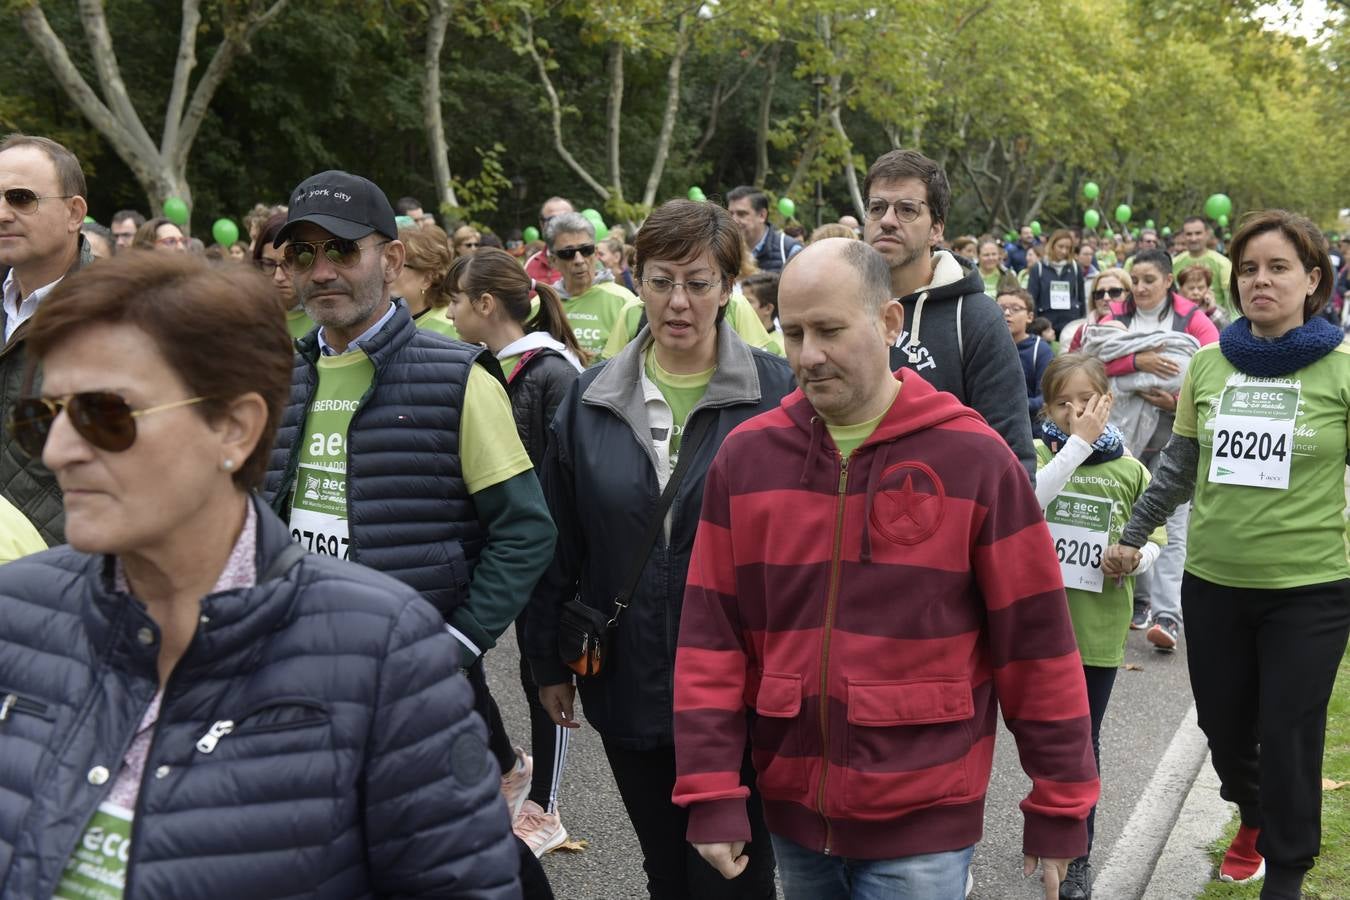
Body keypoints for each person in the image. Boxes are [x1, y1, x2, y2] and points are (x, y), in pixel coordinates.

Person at [0, 250, 521, 898]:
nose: (58, 452)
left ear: (234, 428)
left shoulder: (384, 652)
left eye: (105, 414)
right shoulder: (14, 613)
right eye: (41, 417)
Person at [672, 237, 1098, 900]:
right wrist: (709, 787)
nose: (808, 355)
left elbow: (1037, 645)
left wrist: (1061, 804)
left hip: (926, 825)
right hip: (792, 820)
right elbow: (711, 639)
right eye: (793, 333)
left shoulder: (976, 461)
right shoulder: (747, 459)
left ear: (890, 323)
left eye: (830, 330)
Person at [261, 170, 557, 897]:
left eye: (341, 251)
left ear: (391, 261)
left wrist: (453, 646)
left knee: (457, 858)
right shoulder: (280, 378)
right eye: (303, 255)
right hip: (303, 680)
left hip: (414, 688)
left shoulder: (458, 377)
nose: (321, 270)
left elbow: (525, 531)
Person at [527, 199, 795, 900]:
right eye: (660, 280)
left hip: (748, 691)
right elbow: (558, 539)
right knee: (665, 871)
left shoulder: (778, 396)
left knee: (736, 875)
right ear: (635, 279)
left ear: (730, 287)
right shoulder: (588, 401)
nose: (678, 302)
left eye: (699, 282)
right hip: (628, 676)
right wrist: (545, 662)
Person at [1105, 210, 1350, 900]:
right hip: (1215, 585)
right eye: (1248, 268)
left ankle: (1289, 872)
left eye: (1278, 268)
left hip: (1311, 590)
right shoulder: (1208, 366)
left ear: (1312, 280)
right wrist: (1131, 535)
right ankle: (1253, 811)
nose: (1260, 280)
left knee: (1290, 730)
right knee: (1223, 726)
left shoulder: (1341, 371)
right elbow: (1179, 469)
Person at [444, 246, 584, 857]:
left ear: (483, 303)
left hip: (552, 554)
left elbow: (570, 477)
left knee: (547, 677)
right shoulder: (484, 369)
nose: (447, 313)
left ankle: (545, 807)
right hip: (511, 550)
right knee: (518, 670)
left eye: (454, 300)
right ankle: (523, 780)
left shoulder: (553, 373)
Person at [1031, 354, 1165, 899]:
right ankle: (1035, 835)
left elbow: (1156, 537)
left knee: (1082, 746)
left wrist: (1135, 560)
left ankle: (1075, 854)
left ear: (1106, 400)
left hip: (1097, 635)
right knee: (1035, 744)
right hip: (1034, 633)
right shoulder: (1037, 455)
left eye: (1085, 401)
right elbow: (1025, 501)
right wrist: (1078, 444)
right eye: (1062, 402)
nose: (1073, 412)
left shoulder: (1130, 471)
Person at [865, 149, 1037, 480]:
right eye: (877, 208)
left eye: (906, 210)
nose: (887, 220)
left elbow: (1011, 455)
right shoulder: (841, 304)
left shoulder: (975, 317)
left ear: (936, 229)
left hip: (940, 518)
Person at [1088, 248, 1218, 647]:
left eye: (1149, 280)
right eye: (1136, 281)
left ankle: (1168, 614)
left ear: (1167, 281)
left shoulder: (1191, 319)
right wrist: (1138, 363)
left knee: (1173, 526)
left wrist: (1177, 401)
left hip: (1175, 437)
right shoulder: (1114, 320)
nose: (1141, 288)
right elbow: (1090, 360)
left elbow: (1210, 367)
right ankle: (1141, 600)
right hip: (1121, 435)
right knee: (1129, 519)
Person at [0, 133, 92, 547]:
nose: (2, 213)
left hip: (70, 580)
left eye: (21, 198)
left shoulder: (124, 314)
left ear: (75, 214)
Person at [543, 211, 636, 358]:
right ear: (553, 261)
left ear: (595, 253)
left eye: (586, 250)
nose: (579, 260)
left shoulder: (625, 301)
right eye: (568, 253)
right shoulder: (541, 305)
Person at [252, 210, 315, 339]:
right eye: (268, 264)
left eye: (289, 262)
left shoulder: (330, 319)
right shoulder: (250, 316)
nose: (278, 277)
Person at [392, 223, 459, 338]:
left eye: (398, 265)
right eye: (387, 263)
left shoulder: (452, 328)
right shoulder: (386, 321)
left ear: (427, 279)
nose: (387, 271)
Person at [999, 287, 1051, 420]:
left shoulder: (1040, 349)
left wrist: (1010, 405)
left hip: (1030, 427)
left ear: (1030, 317)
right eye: (1000, 308)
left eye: (1015, 309)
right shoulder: (986, 346)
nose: (1006, 313)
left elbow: (1046, 398)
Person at [727, 186, 802, 273]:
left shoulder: (789, 250)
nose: (733, 220)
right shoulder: (724, 250)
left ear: (762, 215)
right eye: (730, 214)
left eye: (742, 214)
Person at [1027, 228, 1086, 338]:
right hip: (1046, 323)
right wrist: (1035, 325)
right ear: (1052, 245)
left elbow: (1080, 296)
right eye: (1060, 246)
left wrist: (1081, 320)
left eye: (1067, 248)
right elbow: (1032, 298)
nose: (1064, 251)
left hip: (1070, 322)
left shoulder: (1075, 267)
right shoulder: (1038, 268)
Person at [1174, 217, 1235, 318]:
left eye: (1198, 233)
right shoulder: (1174, 263)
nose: (1193, 238)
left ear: (1207, 234)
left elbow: (1232, 303)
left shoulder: (1223, 263)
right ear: (1183, 236)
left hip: (1215, 322)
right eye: (1189, 234)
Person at [1063, 268, 1130, 353]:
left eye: (1114, 292)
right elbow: (1070, 365)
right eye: (1100, 293)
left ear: (1128, 294)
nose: (1106, 298)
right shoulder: (1083, 331)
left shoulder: (1138, 326)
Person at [524, 196, 574, 287]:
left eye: (566, 219)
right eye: (553, 220)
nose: (560, 225)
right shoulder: (531, 264)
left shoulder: (588, 261)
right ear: (542, 225)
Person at [741, 271, 784, 354]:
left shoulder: (779, 348)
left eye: (748, 301)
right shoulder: (738, 337)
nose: (742, 305)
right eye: (742, 300)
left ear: (768, 308)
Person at [1176, 263, 1230, 329]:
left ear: (1208, 289)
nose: (1196, 292)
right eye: (1191, 288)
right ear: (1180, 289)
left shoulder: (1218, 311)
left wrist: (1212, 311)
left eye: (1200, 288)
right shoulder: (1173, 310)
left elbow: (1226, 329)